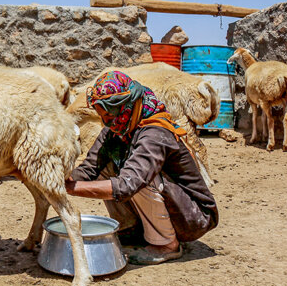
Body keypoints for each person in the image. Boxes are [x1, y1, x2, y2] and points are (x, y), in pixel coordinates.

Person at [65, 71, 218, 265]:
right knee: (107, 168)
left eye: (110, 114)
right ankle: (131, 230)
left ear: (126, 106)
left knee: (139, 179)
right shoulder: (117, 128)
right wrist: (61, 179)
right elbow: (89, 169)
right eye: (102, 116)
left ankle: (167, 245)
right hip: (170, 205)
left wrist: (72, 189)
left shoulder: (155, 132)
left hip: (193, 217)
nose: (107, 122)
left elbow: (128, 184)